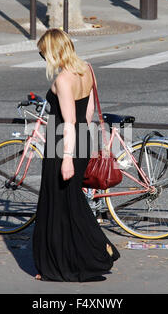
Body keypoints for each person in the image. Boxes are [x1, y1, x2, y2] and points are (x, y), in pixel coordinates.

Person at [32, 28, 120, 282]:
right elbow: (89, 110)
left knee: (58, 205)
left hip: (63, 145)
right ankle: (79, 256)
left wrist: (67, 159)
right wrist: (83, 144)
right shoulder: (87, 69)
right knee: (70, 202)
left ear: (53, 52)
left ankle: (87, 254)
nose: (44, 60)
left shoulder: (63, 79)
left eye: (43, 55)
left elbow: (68, 121)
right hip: (83, 137)